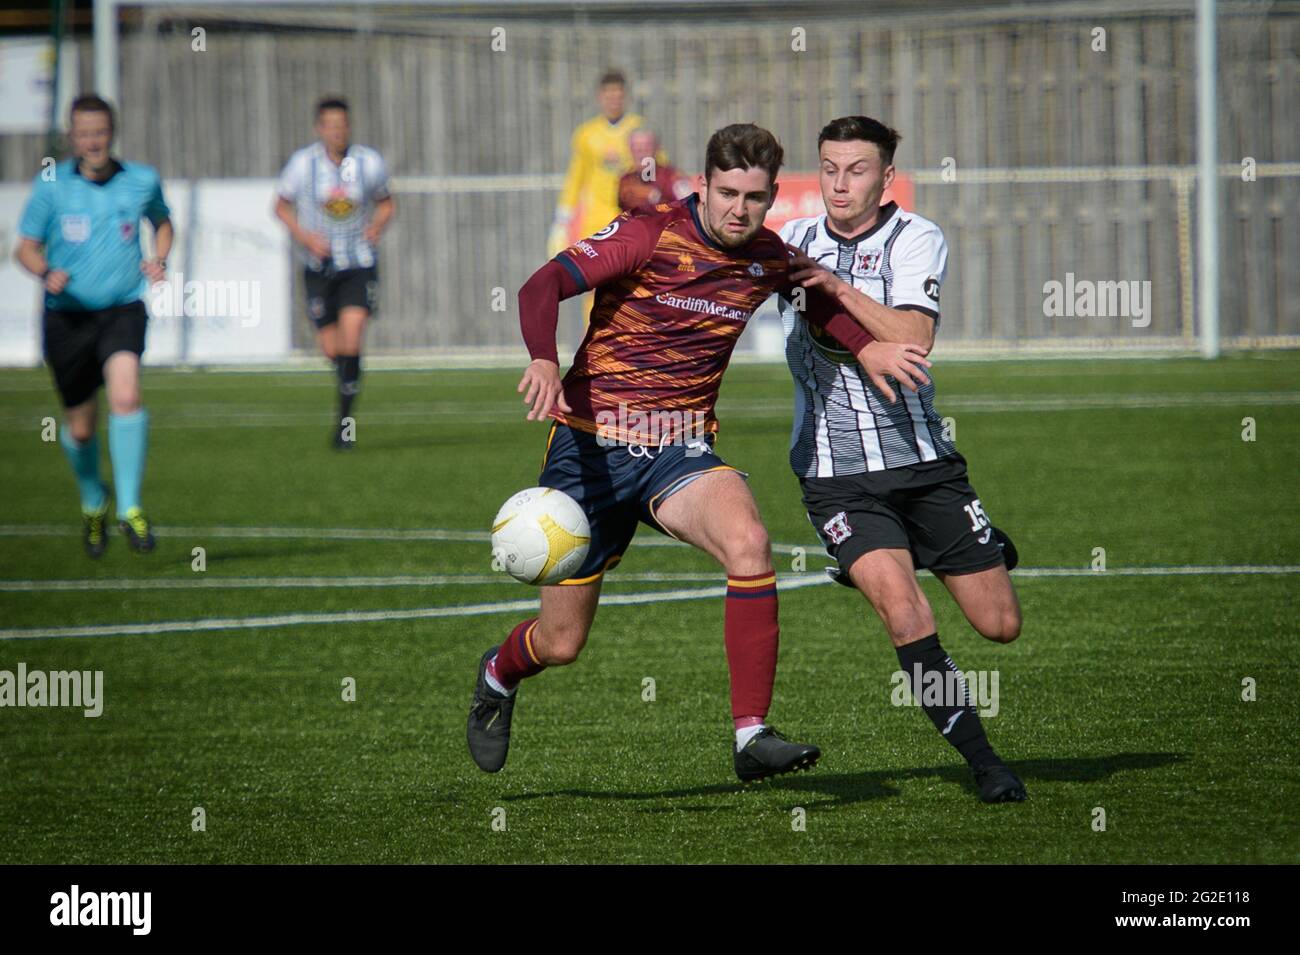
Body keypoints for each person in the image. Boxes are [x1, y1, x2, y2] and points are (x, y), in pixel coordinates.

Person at [468, 123, 931, 782]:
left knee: (748, 542)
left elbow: (818, 303)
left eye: (755, 197)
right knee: (563, 642)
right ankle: (498, 672)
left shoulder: (766, 255)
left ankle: (751, 735)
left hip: (679, 448)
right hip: (588, 449)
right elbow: (540, 287)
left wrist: (868, 345)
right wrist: (543, 357)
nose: (739, 209)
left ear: (770, 196)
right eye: (728, 193)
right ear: (705, 185)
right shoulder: (648, 233)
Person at [781, 115, 1027, 803]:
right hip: (836, 477)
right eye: (828, 167)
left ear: (886, 177)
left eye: (856, 169)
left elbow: (913, 337)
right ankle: (987, 765)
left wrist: (829, 284)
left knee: (1000, 625)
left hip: (924, 465)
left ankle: (939, 543)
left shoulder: (916, 238)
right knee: (904, 611)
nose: (838, 182)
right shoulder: (791, 239)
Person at [14, 94, 172, 557]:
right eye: (84, 133)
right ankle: (92, 500)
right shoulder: (51, 185)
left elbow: (163, 222)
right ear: (72, 137)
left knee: (126, 396)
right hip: (67, 317)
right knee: (81, 429)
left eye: (100, 132)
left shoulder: (141, 180)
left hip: (122, 308)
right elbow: (24, 247)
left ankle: (130, 508)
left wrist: (159, 257)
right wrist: (45, 270)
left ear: (112, 132)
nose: (93, 141)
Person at [274, 96, 394, 449]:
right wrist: (305, 237)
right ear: (319, 129)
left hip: (359, 263)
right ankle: (346, 381)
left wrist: (377, 226)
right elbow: (280, 206)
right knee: (332, 348)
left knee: (353, 336)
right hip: (318, 268)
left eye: (342, 125)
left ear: (349, 127)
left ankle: (345, 425)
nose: (337, 132)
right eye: (330, 125)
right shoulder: (302, 164)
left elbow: (386, 202)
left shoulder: (369, 162)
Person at [546, 70, 654, 258]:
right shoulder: (587, 134)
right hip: (596, 221)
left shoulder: (640, 130)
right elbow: (576, 178)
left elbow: (655, 172)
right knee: (594, 278)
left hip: (631, 220)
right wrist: (562, 220)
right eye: (609, 96)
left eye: (618, 96)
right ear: (600, 97)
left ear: (625, 97)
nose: (614, 101)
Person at [617, 128, 695, 213]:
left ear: (657, 148)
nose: (641, 151)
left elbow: (691, 211)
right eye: (636, 146)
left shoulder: (673, 178)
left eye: (647, 146)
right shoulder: (625, 182)